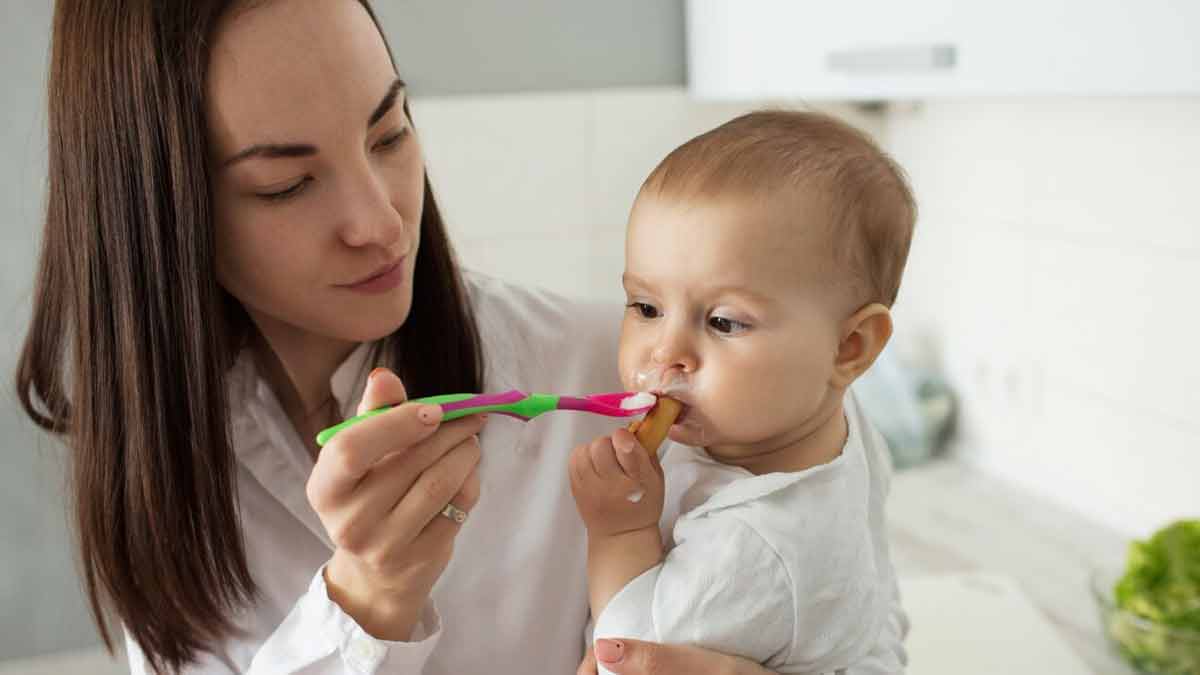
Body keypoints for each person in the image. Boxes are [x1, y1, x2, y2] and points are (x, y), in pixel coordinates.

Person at [14, 1, 907, 673]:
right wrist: (363, 603)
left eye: (391, 131)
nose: (381, 221)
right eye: (286, 184)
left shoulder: (681, 385)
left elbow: (861, 634)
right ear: (160, 215)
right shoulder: (158, 461)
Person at [569, 111, 914, 674]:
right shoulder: (832, 416)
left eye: (724, 322)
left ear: (849, 347)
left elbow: (624, 662)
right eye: (647, 308)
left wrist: (618, 530)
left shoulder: (753, 545)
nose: (665, 352)